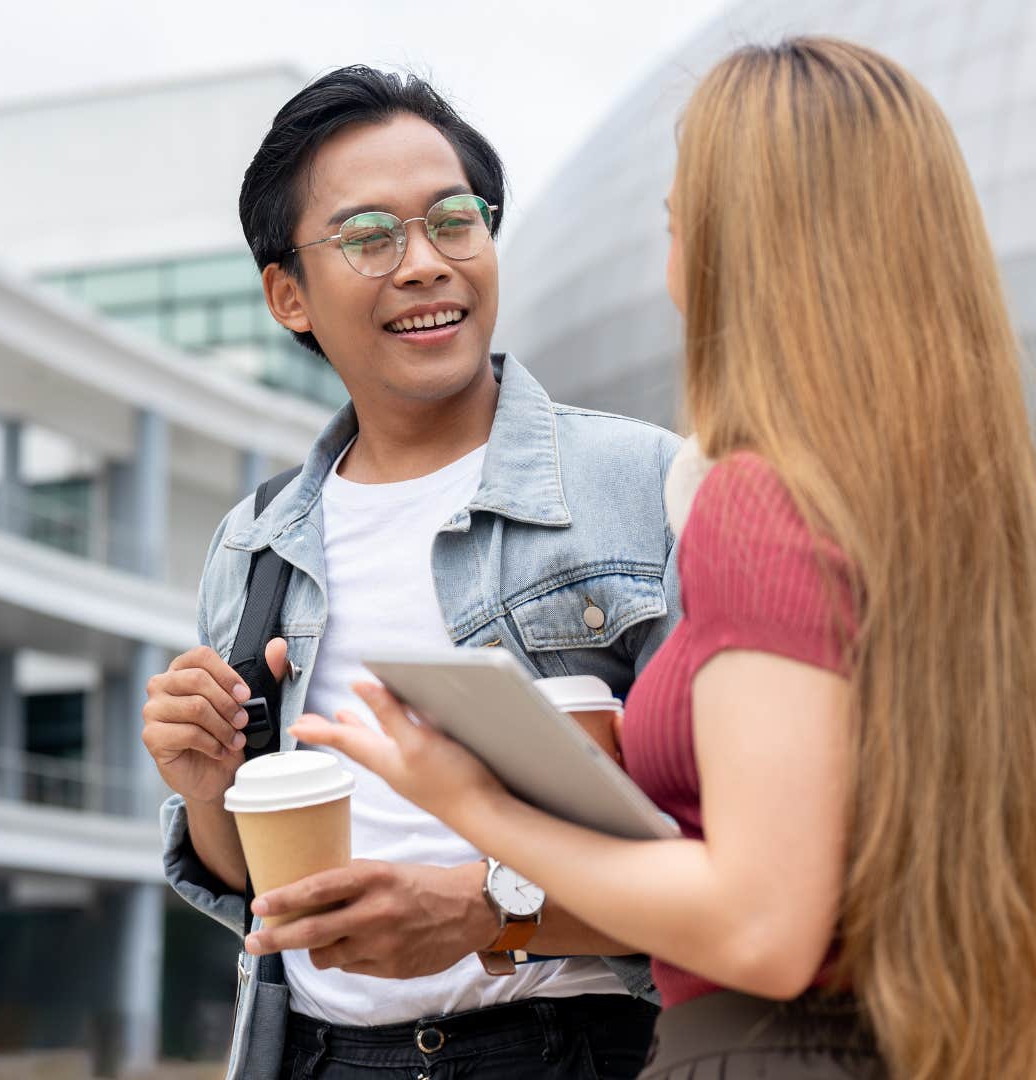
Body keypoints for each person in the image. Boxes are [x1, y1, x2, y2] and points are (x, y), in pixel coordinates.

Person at [288, 38, 1036, 1080]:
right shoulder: (948, 513)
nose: (666, 266)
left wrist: (474, 805)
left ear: (740, 249)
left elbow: (761, 927)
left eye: (678, 225)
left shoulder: (754, 506)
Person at [140, 66, 678, 1079]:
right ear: (287, 295)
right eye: (370, 237)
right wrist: (209, 791)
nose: (426, 264)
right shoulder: (255, 541)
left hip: (573, 1049)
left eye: (454, 221)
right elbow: (255, 884)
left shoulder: (643, 481)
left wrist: (488, 910)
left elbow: (729, 857)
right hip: (320, 1057)